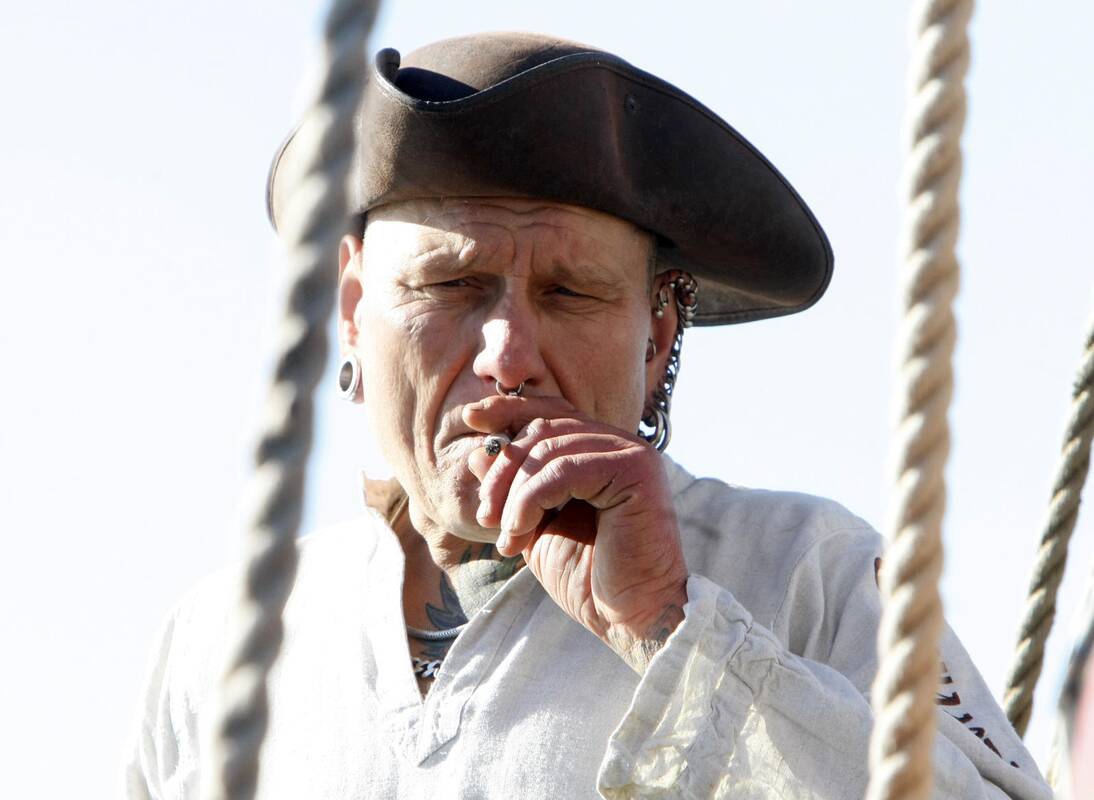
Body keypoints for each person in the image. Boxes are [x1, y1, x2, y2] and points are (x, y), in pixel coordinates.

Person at [125, 33, 1052, 799]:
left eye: (569, 293)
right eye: (451, 285)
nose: (508, 356)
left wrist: (669, 624)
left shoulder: (810, 576)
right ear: (353, 307)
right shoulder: (225, 644)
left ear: (657, 336)